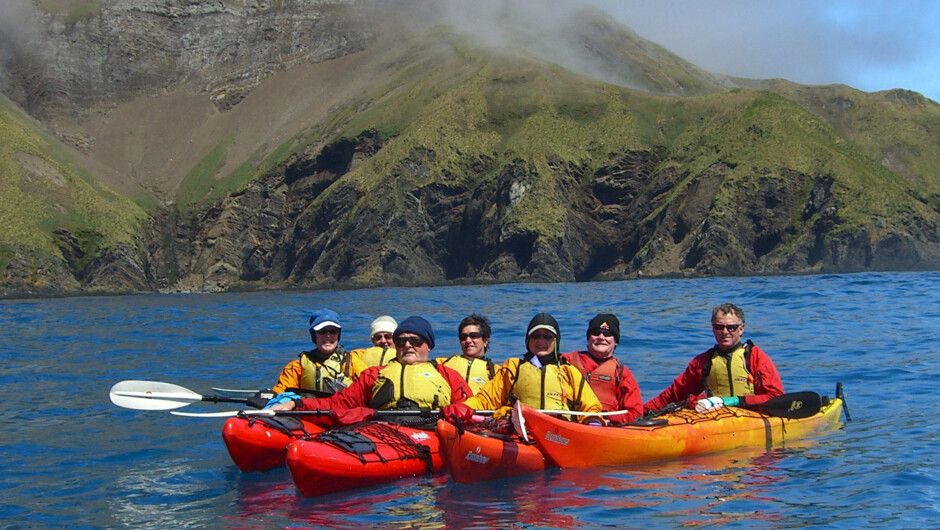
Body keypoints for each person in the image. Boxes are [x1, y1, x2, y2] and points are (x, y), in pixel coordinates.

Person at [270, 316, 472, 426]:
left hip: (430, 429)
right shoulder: (374, 375)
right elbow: (338, 404)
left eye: (416, 340)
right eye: (401, 340)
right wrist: (296, 404)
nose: (408, 345)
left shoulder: (448, 375)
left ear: (428, 345)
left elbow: (469, 408)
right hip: (383, 428)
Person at [442, 313, 603, 425]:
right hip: (520, 432)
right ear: (528, 339)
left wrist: (594, 423)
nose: (541, 341)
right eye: (535, 336)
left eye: (547, 336)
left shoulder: (568, 371)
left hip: (560, 434)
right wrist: (465, 407)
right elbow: (487, 399)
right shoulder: (514, 367)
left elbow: (591, 407)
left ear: (556, 341)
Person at [643, 303, 785, 414]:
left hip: (751, 415)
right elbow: (673, 395)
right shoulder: (703, 361)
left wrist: (734, 401)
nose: (724, 332)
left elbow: (775, 396)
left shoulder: (755, 357)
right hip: (716, 418)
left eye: (731, 327)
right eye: (719, 327)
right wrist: (641, 412)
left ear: (741, 329)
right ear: (712, 328)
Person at [561, 314, 643, 424]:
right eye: (596, 333)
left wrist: (609, 419)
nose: (601, 337)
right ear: (589, 338)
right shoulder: (566, 361)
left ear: (616, 341)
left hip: (605, 427)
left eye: (607, 334)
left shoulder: (621, 373)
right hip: (570, 423)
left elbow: (635, 414)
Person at [269, 309, 366, 396]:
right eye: (322, 331)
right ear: (314, 335)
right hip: (310, 413)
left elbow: (368, 387)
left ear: (338, 335)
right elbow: (281, 391)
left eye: (332, 331)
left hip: (343, 414)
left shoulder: (352, 362)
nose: (328, 336)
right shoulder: (296, 367)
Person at [436, 314, 497, 394]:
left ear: (485, 341)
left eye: (474, 336)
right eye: (463, 337)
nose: (468, 340)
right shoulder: (444, 364)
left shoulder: (494, 372)